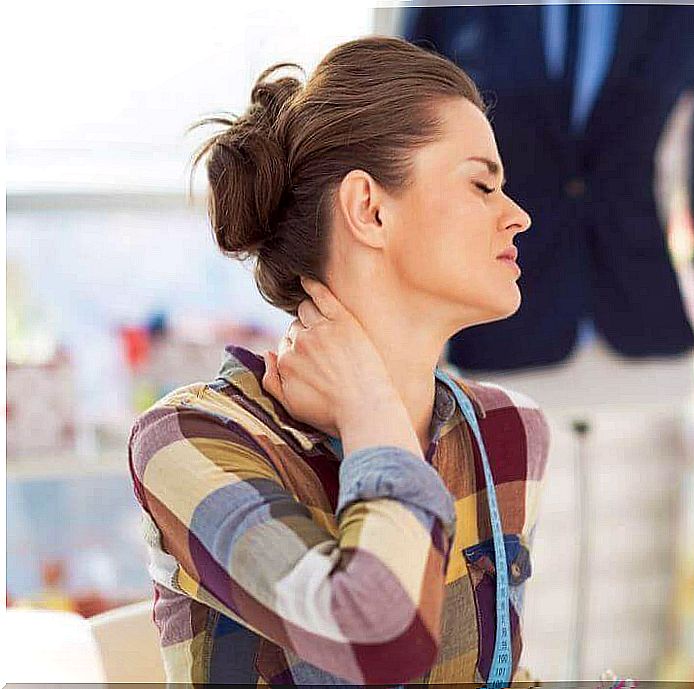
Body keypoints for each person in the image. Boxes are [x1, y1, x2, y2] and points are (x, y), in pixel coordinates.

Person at [127, 36, 550, 685]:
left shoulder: (508, 430)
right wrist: (372, 410)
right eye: (481, 185)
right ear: (370, 210)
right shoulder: (190, 438)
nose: (517, 215)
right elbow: (382, 638)